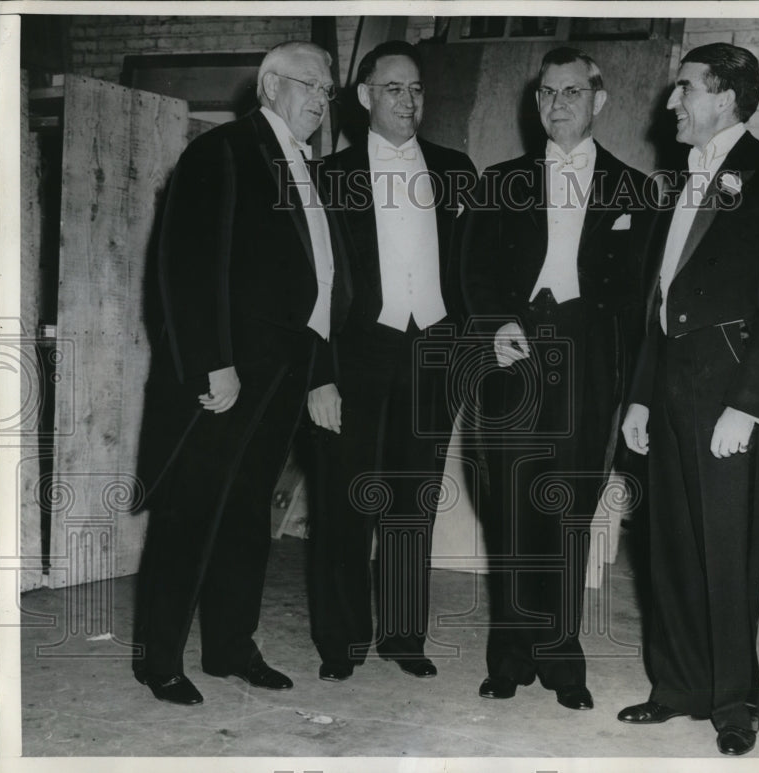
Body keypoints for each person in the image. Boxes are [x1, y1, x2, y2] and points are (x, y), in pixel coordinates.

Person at [618, 43, 759, 755]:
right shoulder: (676, 182)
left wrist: (751, 404)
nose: (670, 103)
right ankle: (676, 684)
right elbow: (659, 302)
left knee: (726, 553)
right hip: (669, 394)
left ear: (725, 96)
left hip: (730, 399)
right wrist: (640, 397)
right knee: (667, 546)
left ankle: (736, 700)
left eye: (684, 90)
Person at [133, 41, 352, 705]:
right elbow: (185, 265)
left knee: (247, 515)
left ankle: (230, 645)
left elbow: (319, 280)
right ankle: (157, 659)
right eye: (310, 84)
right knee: (190, 511)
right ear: (269, 85)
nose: (321, 98)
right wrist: (211, 362)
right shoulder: (222, 151)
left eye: (327, 90)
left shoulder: (306, 168)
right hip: (227, 374)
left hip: (284, 372)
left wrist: (319, 371)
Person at [461, 47, 653, 712]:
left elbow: (638, 299)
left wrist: (635, 389)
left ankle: (561, 656)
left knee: (570, 510)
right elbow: (473, 273)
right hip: (513, 358)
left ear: (599, 100)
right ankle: (509, 655)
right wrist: (490, 326)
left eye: (572, 92)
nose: (558, 104)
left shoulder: (634, 187)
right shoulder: (499, 179)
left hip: (589, 361)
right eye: (547, 93)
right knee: (510, 509)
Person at [307, 40, 477, 682]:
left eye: (416, 90)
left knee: (414, 503)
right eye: (394, 89)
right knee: (343, 501)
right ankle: (340, 642)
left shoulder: (458, 169)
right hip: (356, 357)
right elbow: (314, 288)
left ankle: (405, 637)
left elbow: (473, 269)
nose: (408, 102)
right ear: (365, 96)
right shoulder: (328, 177)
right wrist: (319, 374)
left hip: (432, 354)